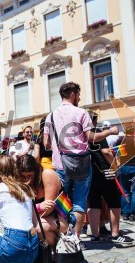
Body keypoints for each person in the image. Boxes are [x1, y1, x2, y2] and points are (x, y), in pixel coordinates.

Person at [44, 82, 119, 239]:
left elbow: (46, 144)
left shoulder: (50, 116)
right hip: (82, 165)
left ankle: (63, 236)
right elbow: (92, 137)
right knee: (79, 201)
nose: (79, 97)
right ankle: (76, 238)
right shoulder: (81, 112)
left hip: (60, 165)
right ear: (72, 94)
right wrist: (110, 131)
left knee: (62, 201)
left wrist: (60, 143)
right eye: (78, 94)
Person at [86, 113, 133, 244]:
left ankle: (95, 235)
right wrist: (116, 167)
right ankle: (115, 233)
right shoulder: (97, 132)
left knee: (94, 202)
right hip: (104, 170)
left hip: (90, 172)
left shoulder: (82, 135)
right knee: (114, 201)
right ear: (94, 121)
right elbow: (106, 152)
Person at [16, 154, 68, 248]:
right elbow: (17, 210)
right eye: (23, 176)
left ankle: (54, 253)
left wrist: (32, 211)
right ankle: (44, 257)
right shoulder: (19, 181)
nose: (27, 180)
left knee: (38, 228)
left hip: (59, 218)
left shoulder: (47, 174)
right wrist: (39, 207)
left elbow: (48, 209)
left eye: (29, 176)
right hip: (36, 218)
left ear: (35, 171)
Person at [117, 123, 135, 221]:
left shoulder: (121, 140)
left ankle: (125, 214)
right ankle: (134, 214)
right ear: (133, 131)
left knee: (125, 192)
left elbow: (119, 156)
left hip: (123, 168)